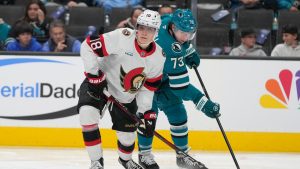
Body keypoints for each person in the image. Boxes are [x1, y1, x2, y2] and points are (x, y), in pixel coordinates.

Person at [77, 9, 165, 169]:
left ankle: (125, 160)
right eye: (142, 27)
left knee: (127, 138)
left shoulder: (159, 56)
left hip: (126, 96)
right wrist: (94, 75)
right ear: (136, 26)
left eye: (150, 29)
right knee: (87, 115)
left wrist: (144, 113)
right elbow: (87, 45)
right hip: (100, 85)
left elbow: (148, 87)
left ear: (156, 32)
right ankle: (96, 162)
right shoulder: (122, 37)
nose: (144, 32)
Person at [137, 9, 220, 169]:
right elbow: (181, 88)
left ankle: (183, 156)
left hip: (163, 77)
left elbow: (183, 41)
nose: (187, 37)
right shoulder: (171, 49)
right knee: (148, 118)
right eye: (184, 33)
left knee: (178, 114)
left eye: (190, 34)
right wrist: (204, 103)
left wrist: (188, 50)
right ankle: (144, 155)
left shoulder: (167, 21)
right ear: (173, 29)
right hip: (143, 82)